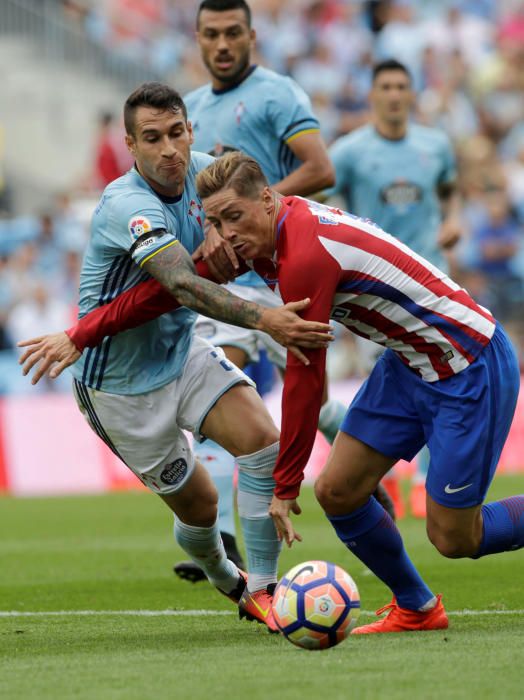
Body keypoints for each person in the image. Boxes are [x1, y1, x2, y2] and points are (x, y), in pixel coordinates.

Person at [27, 152, 522, 635]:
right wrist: (79, 335)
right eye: (215, 222)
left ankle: (419, 594)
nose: (226, 235)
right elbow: (168, 289)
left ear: (268, 199)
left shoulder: (304, 252)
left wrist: (284, 487)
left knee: (455, 537)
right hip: (409, 363)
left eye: (235, 217)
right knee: (338, 492)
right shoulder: (259, 241)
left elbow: (307, 382)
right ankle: (416, 607)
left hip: (466, 362)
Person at [20, 86, 334, 632]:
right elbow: (182, 286)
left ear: (190, 131)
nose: (169, 149)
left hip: (181, 352)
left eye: (176, 133)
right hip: (118, 388)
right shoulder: (127, 206)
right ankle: (222, 574)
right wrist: (266, 319)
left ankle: (261, 589)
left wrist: (217, 223)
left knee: (262, 442)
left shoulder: (206, 171)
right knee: (202, 507)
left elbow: (237, 209)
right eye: (152, 138)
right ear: (130, 145)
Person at [173, 0, 345, 581]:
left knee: (312, 406)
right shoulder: (190, 112)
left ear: (251, 35)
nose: (221, 44)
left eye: (232, 33)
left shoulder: (279, 93)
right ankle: (223, 530)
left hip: (282, 276)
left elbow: (320, 169)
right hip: (229, 290)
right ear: (197, 39)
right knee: (225, 382)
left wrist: (255, 213)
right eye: (211, 35)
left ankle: (363, 474)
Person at [327, 59, 463, 519]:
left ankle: (425, 483)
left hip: (432, 282)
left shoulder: (436, 145)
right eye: (385, 86)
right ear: (372, 94)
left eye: (401, 86)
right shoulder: (349, 152)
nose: (393, 94)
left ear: (412, 93)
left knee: (436, 381)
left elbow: (449, 192)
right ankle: (378, 478)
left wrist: (453, 221)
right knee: (382, 387)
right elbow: (324, 202)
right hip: (376, 292)